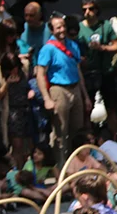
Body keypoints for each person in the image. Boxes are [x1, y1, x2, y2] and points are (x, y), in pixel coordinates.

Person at [36, 14, 89, 165]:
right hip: (58, 89)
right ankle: (60, 166)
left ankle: (76, 165)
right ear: (52, 30)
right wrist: (47, 99)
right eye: (58, 27)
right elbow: (40, 74)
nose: (62, 30)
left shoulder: (73, 45)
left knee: (77, 130)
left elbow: (78, 70)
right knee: (60, 130)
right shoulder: (48, 49)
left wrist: (85, 96)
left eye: (63, 26)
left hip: (75, 87)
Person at [78, 0, 117, 139]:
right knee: (87, 109)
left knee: (111, 108)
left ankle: (114, 138)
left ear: (96, 10)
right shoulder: (79, 28)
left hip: (105, 71)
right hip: (87, 73)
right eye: (84, 9)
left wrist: (102, 48)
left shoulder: (105, 25)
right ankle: (89, 139)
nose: (87, 12)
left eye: (90, 9)